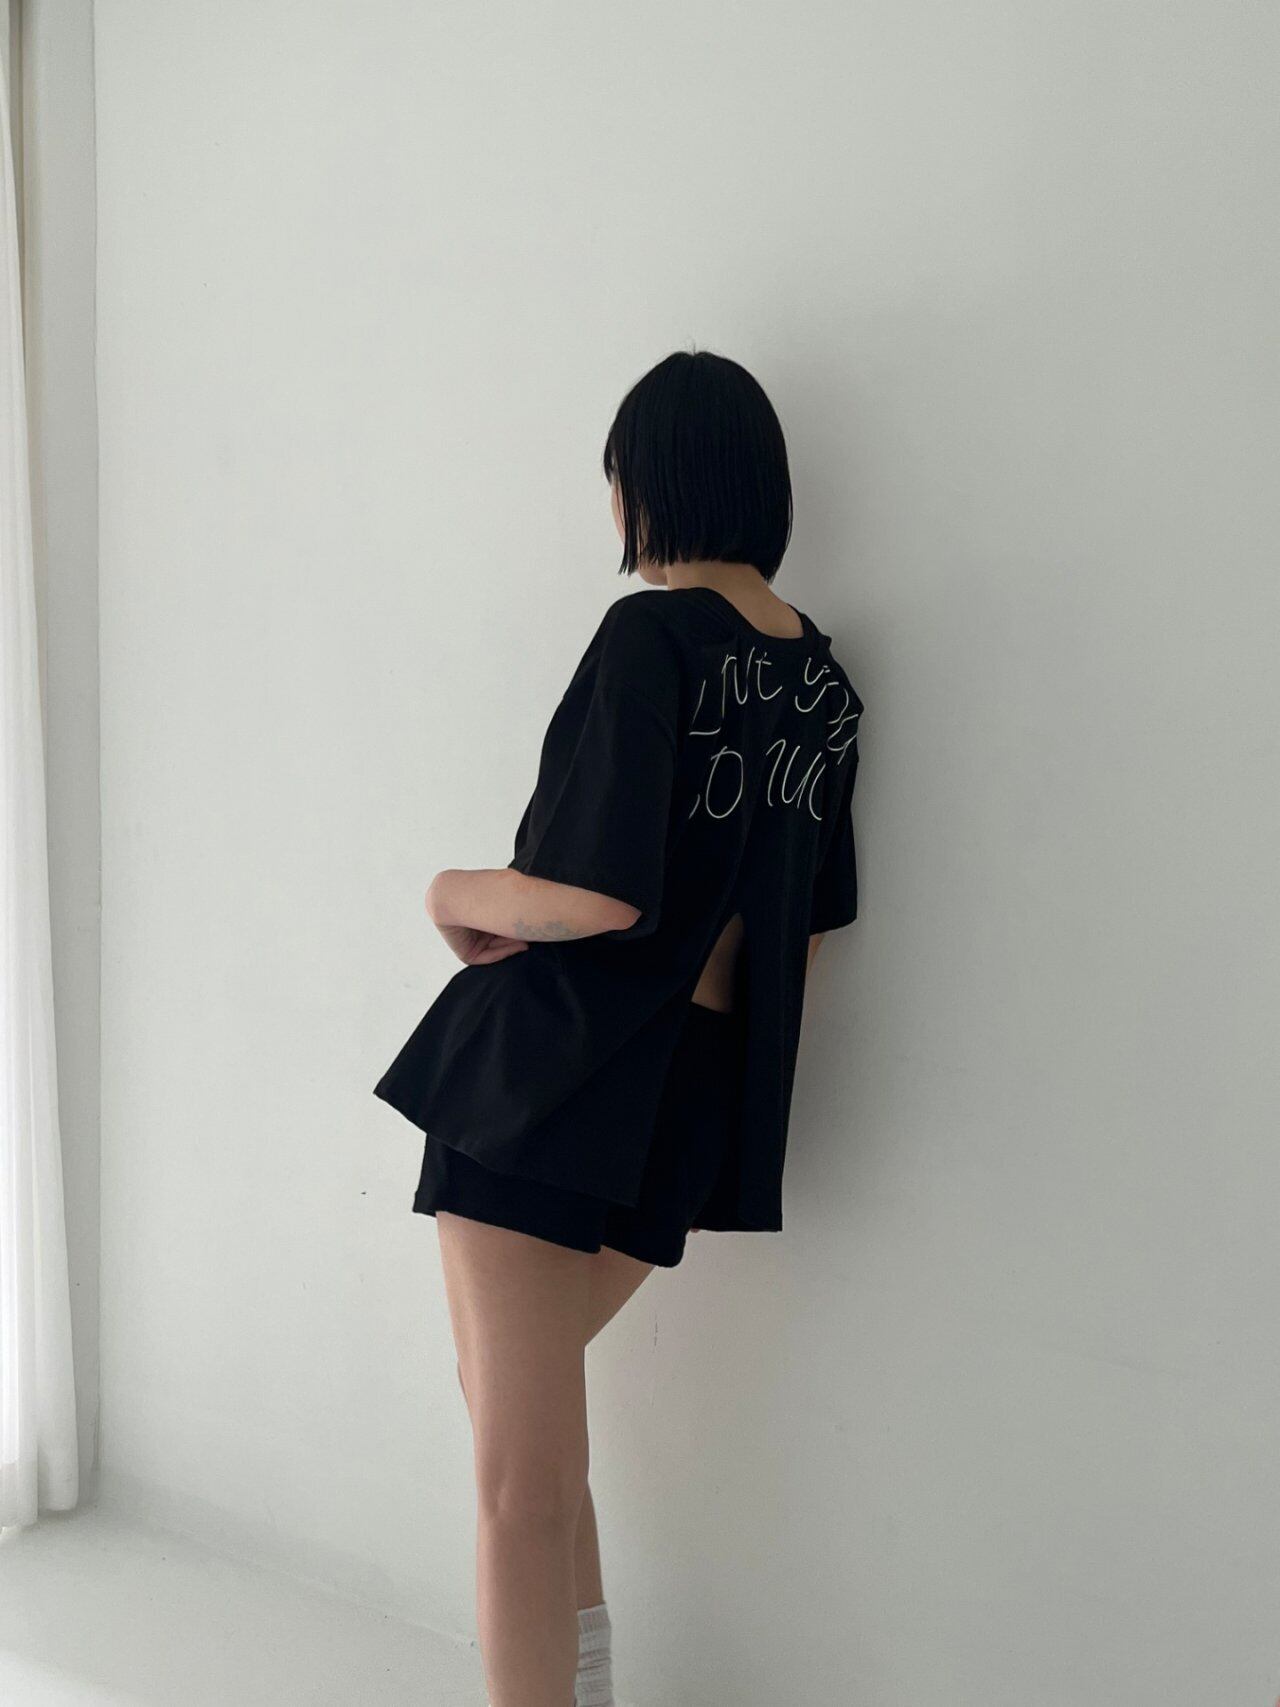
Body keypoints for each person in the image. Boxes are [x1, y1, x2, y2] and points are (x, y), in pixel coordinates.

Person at [373, 348, 864, 1707]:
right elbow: (802, 937)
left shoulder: (650, 637)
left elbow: (593, 897)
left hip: (549, 1081)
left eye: (616, 480)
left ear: (651, 484)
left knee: (515, 1481)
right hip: (679, 1102)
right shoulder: (824, 687)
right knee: (530, 1442)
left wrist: (450, 891)